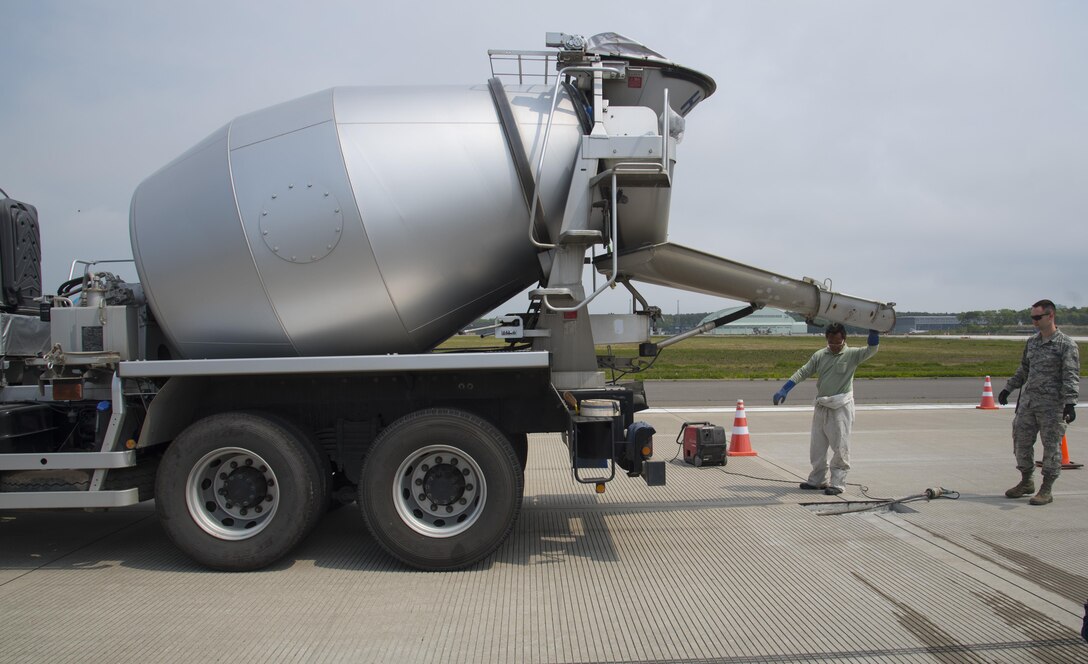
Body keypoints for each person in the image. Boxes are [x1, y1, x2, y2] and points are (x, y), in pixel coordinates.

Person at [772, 323, 879, 495]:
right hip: (822, 405)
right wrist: (785, 388)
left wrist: (874, 332)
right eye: (831, 342)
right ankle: (817, 480)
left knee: (840, 446)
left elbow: (871, 350)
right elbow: (803, 371)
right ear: (827, 340)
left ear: (844, 339)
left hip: (840, 406)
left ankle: (838, 483)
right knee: (817, 446)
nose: (834, 346)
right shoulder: (820, 355)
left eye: (837, 342)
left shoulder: (852, 354)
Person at [998, 299, 1080, 506]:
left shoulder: (1066, 345)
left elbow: (1071, 375)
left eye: (1037, 317)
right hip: (1028, 403)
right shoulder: (1032, 342)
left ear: (1050, 316)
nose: (1034, 321)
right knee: (1021, 443)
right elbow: (1024, 369)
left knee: (1051, 447)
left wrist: (1070, 403)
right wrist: (1009, 388)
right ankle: (1026, 481)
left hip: (1053, 406)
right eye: (1032, 317)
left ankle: (1047, 488)